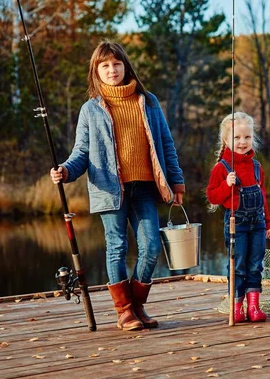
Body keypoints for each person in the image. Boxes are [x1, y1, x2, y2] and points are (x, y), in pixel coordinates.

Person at [50, 40, 185, 331]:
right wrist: (65, 171)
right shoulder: (90, 109)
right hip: (110, 189)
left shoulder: (148, 101)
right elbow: (81, 154)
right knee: (117, 247)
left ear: (126, 66)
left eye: (116, 64)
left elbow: (166, 144)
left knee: (150, 246)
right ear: (96, 72)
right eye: (105, 66)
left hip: (145, 187)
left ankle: (136, 305)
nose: (112, 70)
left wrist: (177, 181)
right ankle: (124, 311)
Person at [206, 112, 270, 323]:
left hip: (258, 223)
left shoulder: (256, 167)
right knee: (238, 264)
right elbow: (213, 197)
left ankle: (254, 306)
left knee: (255, 264)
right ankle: (236, 306)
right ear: (226, 141)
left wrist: (267, 221)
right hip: (237, 224)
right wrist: (227, 185)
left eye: (247, 137)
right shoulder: (222, 168)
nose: (242, 142)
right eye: (236, 138)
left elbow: (263, 196)